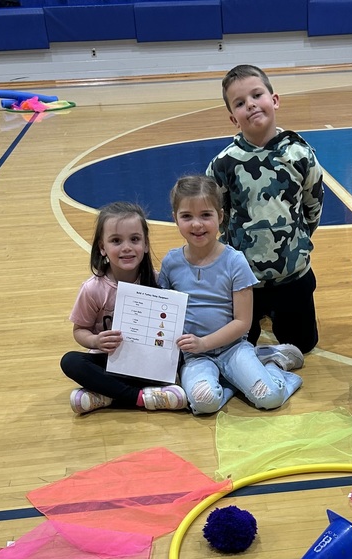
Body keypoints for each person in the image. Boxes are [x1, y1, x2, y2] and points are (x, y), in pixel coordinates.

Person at [158, 174, 303, 415]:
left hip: (233, 348)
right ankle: (237, 381)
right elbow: (165, 312)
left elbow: (243, 323)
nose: (197, 224)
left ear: (221, 216)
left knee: (270, 398)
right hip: (195, 356)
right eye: (187, 216)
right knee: (204, 404)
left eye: (206, 215)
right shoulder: (171, 262)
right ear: (175, 219)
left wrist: (204, 342)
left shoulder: (235, 262)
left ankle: (273, 363)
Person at [206, 63, 323, 356]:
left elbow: (313, 204)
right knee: (236, 348)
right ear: (233, 117)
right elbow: (218, 213)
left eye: (257, 95)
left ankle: (284, 309)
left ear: (275, 100)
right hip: (245, 279)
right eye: (240, 103)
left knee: (302, 347)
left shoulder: (300, 153)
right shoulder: (224, 164)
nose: (251, 105)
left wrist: (296, 242)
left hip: (292, 274)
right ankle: (259, 314)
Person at [61, 201, 188, 415]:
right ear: (102, 248)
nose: (127, 247)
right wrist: (95, 340)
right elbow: (79, 330)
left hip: (146, 364)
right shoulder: (93, 289)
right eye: (116, 241)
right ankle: (139, 398)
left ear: (146, 245)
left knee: (181, 358)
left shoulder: (158, 281)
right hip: (108, 360)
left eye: (135, 239)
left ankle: (104, 395)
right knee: (71, 361)